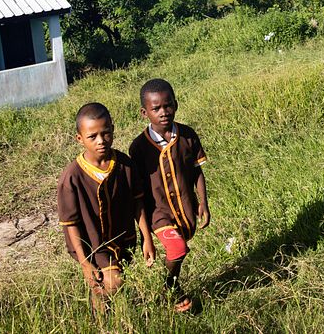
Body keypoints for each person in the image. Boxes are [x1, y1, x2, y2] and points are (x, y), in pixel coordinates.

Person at [57, 102, 155, 313]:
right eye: (92, 137)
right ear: (79, 138)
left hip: (124, 239)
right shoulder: (72, 176)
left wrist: (147, 238)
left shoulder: (124, 165)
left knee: (114, 286)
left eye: (106, 133)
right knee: (113, 283)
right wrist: (84, 263)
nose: (101, 141)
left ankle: (105, 319)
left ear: (113, 129)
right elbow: (70, 223)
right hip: (93, 245)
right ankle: (102, 314)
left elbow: (138, 202)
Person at [129, 79, 210, 313]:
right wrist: (145, 232)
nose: (163, 112)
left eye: (168, 106)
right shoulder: (139, 148)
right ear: (145, 112)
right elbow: (137, 191)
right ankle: (170, 287)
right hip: (158, 213)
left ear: (176, 104)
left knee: (180, 248)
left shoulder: (187, 136)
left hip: (185, 209)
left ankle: (171, 285)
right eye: (156, 109)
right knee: (178, 249)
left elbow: (197, 171)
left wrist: (203, 201)